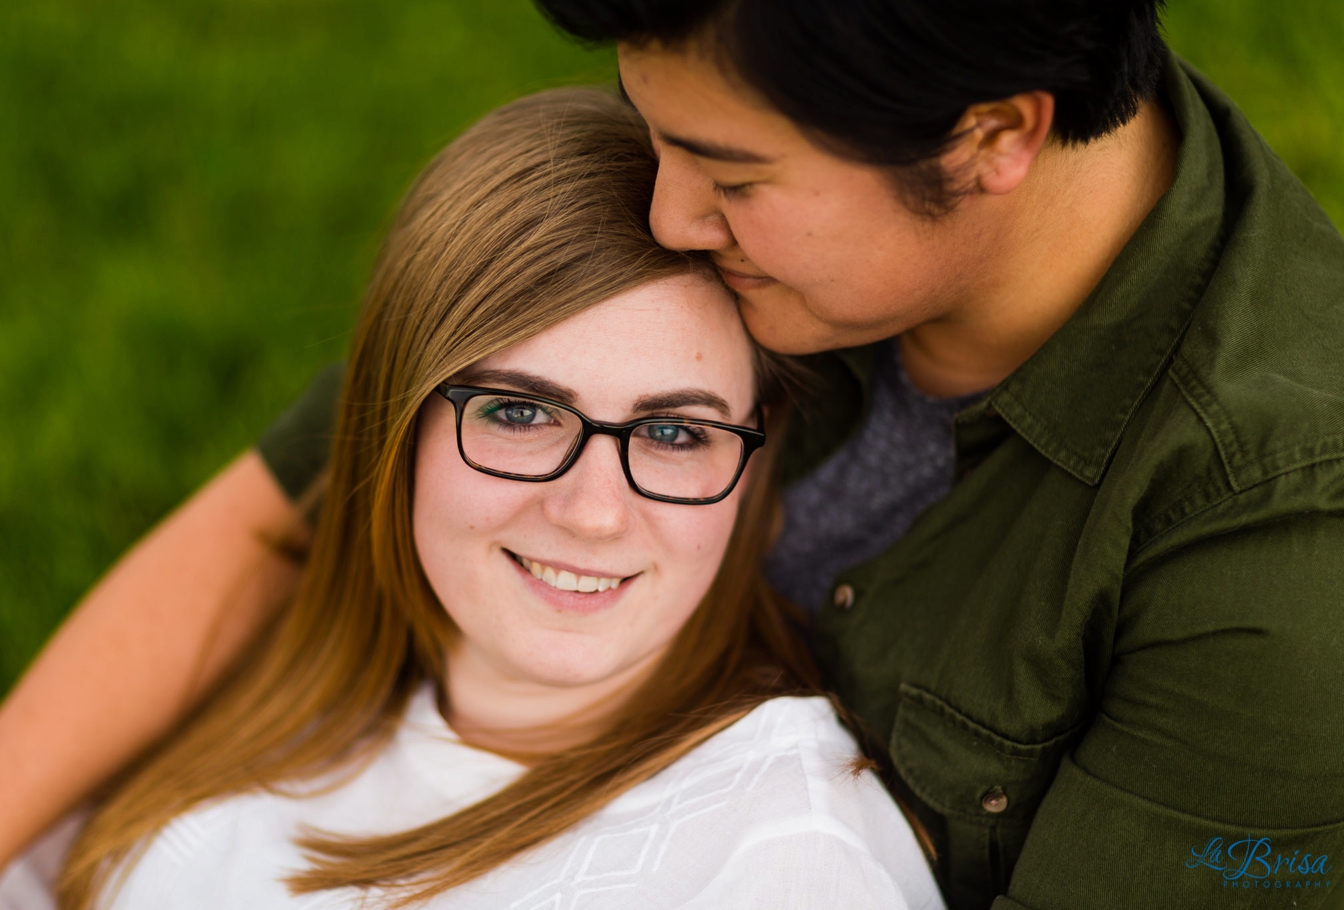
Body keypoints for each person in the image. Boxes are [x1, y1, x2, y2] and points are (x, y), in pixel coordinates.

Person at [3, 1, 1344, 907]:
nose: (661, 208)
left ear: (992, 135)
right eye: (651, 130)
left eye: (731, 175)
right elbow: (283, 513)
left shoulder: (1288, 549)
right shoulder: (787, 183)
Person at [0, 88, 943, 910]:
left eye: (671, 433)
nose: (592, 513)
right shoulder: (265, 680)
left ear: (757, 444)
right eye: (520, 412)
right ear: (392, 413)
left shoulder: (781, 862)